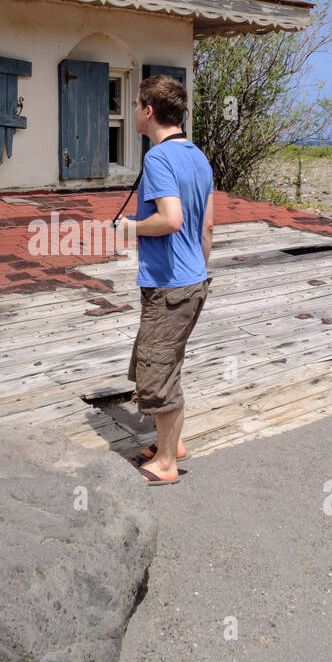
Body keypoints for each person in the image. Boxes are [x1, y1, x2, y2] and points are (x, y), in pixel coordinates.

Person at [121, 74, 214, 485]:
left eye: (136, 103)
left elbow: (170, 219)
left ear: (148, 111)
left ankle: (165, 466)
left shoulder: (158, 158)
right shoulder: (198, 156)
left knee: (157, 374)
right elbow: (206, 229)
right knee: (166, 363)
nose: (133, 110)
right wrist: (196, 270)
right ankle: (169, 445)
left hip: (169, 285)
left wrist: (130, 228)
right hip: (193, 281)